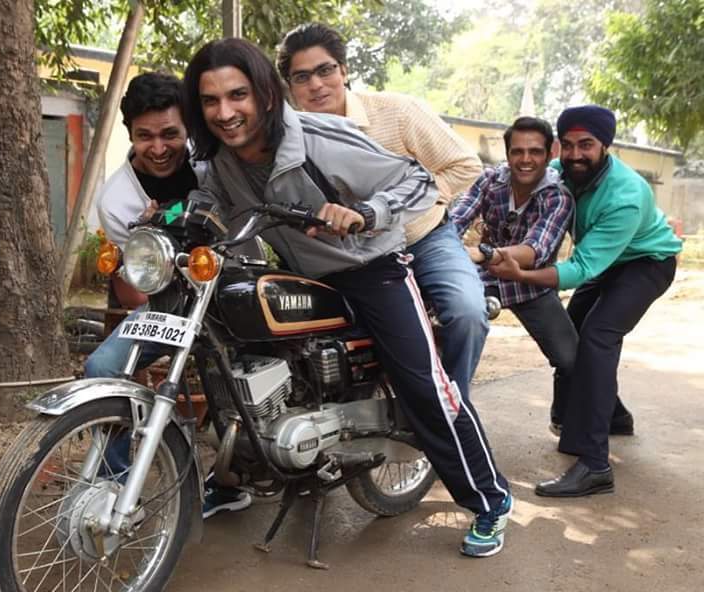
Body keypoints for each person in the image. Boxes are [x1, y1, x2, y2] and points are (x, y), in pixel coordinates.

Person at [182, 37, 512, 557]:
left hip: (372, 269)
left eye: (237, 95)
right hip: (301, 274)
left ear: (265, 94)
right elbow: (214, 204)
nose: (225, 113)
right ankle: (237, 475)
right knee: (233, 356)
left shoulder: (319, 137)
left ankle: (490, 500)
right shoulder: (220, 160)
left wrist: (366, 212)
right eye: (210, 101)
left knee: (424, 386)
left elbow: (418, 181)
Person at [275, 23, 488, 399]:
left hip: (424, 239)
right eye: (302, 77)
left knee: (467, 313)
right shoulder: (285, 137)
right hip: (346, 259)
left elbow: (465, 165)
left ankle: (452, 409)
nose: (316, 85)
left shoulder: (397, 111)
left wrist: (410, 202)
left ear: (344, 70)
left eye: (325, 70)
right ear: (290, 86)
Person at [489, 105, 682, 497]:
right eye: (569, 145)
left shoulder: (626, 194)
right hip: (605, 261)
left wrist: (521, 275)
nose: (576, 154)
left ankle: (595, 465)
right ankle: (614, 416)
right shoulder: (559, 172)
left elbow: (580, 268)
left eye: (587, 145)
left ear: (605, 145)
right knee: (572, 332)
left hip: (646, 263)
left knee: (597, 337)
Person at [87, 71, 252, 515]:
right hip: (172, 302)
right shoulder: (117, 200)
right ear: (130, 134)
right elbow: (134, 293)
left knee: (237, 383)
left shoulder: (212, 160)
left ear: (188, 129)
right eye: (145, 136)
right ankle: (117, 488)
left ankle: (234, 479)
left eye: (170, 134)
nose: (158, 148)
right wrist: (149, 240)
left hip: (234, 289)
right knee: (102, 365)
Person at [450, 116, 576, 428]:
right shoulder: (490, 180)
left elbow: (535, 251)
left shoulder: (558, 196)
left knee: (571, 359)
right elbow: (455, 221)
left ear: (550, 154)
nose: (525, 159)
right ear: (507, 154)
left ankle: (571, 418)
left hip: (528, 284)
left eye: (535, 152)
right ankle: (449, 412)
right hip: (482, 278)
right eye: (517, 151)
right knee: (454, 331)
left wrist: (485, 252)